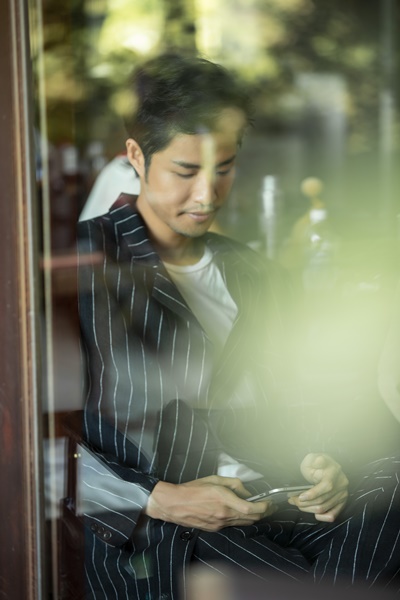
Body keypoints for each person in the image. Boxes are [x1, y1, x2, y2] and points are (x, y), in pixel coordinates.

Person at [77, 54, 400, 600]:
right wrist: (160, 498)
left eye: (224, 168)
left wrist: (328, 463)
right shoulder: (78, 267)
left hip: (278, 501)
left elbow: (310, 399)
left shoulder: (257, 273)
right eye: (186, 172)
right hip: (168, 526)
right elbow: (30, 449)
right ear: (136, 156)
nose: (207, 195)